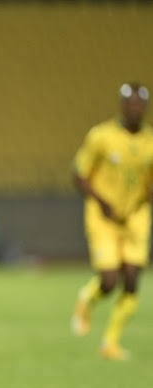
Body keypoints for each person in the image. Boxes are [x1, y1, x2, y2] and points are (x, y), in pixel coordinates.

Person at [71, 82, 153, 360]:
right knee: (109, 280)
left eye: (138, 105)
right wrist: (102, 202)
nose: (134, 109)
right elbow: (79, 174)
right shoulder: (102, 137)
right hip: (103, 217)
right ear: (121, 105)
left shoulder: (150, 141)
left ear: (144, 108)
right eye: (129, 103)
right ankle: (88, 298)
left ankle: (110, 343)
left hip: (136, 216)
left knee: (132, 278)